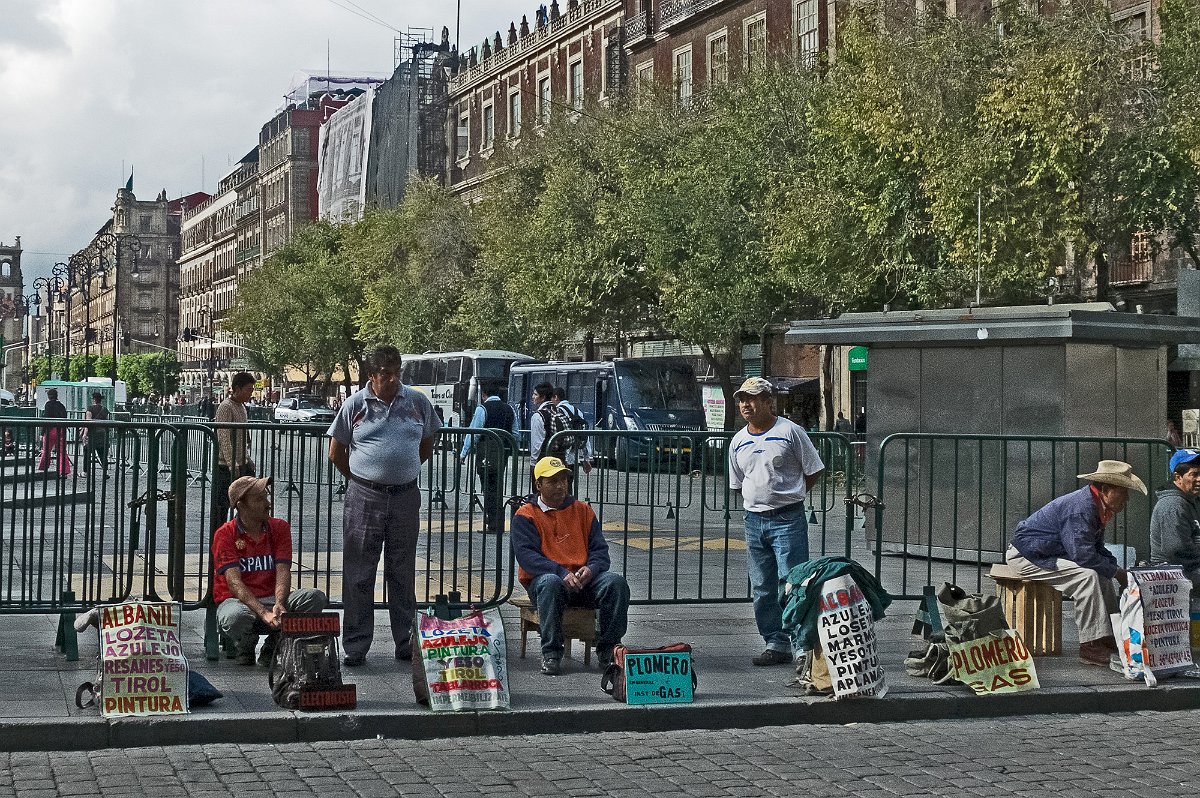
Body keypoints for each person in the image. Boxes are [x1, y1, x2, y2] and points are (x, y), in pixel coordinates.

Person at [327, 346, 441, 667]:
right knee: (359, 573)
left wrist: (403, 471)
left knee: (402, 571)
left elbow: (427, 444)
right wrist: (361, 479)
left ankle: (406, 641)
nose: (393, 379)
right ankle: (356, 645)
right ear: (371, 376)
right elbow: (336, 452)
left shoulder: (417, 402)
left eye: (397, 373)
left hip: (405, 496)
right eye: (386, 374)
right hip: (364, 497)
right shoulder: (355, 405)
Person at [1006, 459, 1145, 666]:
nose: (1126, 499)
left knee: (1102, 575)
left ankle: (1109, 634)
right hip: (1026, 556)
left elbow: (1095, 548)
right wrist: (1117, 572)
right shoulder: (1081, 508)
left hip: (1045, 553)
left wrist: (1115, 569)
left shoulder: (1095, 505)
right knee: (1087, 577)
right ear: (1106, 489)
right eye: (1123, 492)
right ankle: (1090, 644)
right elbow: (1083, 555)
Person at [727, 377, 824, 667]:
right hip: (754, 520)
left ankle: (802, 645)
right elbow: (739, 482)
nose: (746, 404)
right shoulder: (738, 441)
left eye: (752, 398)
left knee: (793, 582)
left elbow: (813, 469)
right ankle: (775, 642)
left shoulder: (790, 431)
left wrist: (792, 494)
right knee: (762, 586)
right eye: (742, 399)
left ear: (768, 402)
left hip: (787, 518)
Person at [512, 456, 630, 675]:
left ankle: (608, 651)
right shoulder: (525, 515)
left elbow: (600, 552)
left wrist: (591, 569)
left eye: (563, 480)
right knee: (550, 583)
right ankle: (551, 653)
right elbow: (527, 557)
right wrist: (560, 572)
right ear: (538, 485)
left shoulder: (583, 510)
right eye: (553, 481)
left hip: (584, 582)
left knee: (616, 583)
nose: (560, 486)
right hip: (548, 582)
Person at [212, 476, 328, 665]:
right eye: (260, 499)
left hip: (273, 597)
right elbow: (234, 583)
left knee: (314, 597)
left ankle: (274, 646)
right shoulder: (225, 534)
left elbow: (283, 570)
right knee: (234, 616)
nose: (268, 504)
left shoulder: (279, 527)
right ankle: (245, 645)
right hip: (239, 602)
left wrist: (279, 603)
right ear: (241, 505)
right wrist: (262, 612)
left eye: (266, 497)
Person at [460, 381, 516, 534]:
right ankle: (497, 522)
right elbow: (515, 433)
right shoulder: (509, 409)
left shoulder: (482, 409)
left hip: (486, 454)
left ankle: (493, 524)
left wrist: (464, 453)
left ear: (484, 394)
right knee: (497, 487)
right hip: (503, 453)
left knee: (488, 488)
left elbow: (474, 433)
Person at [1150, 449, 1200, 593]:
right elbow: (1176, 550)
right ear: (1178, 477)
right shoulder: (1173, 505)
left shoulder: (1191, 501)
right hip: (1173, 574)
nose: (1199, 479)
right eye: (1194, 474)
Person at [213, 372, 257, 523]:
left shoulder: (242, 407)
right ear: (237, 389)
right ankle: (219, 535)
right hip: (226, 465)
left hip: (241, 462)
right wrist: (231, 463)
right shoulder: (225, 407)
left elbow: (241, 437)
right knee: (222, 506)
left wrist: (247, 458)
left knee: (247, 503)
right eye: (248, 389)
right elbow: (224, 437)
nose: (250, 393)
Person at [550, 386, 593, 480]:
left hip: (561, 456)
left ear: (556, 397)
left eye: (551, 398)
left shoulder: (557, 411)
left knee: (560, 483)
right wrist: (586, 458)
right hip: (574, 457)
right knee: (570, 483)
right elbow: (584, 435)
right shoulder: (578, 411)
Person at [527, 382, 556, 488]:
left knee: (540, 492)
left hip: (543, 460)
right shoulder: (559, 411)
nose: (533, 397)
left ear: (542, 397)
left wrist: (533, 463)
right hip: (559, 458)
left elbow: (537, 444)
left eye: (535, 394)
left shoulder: (538, 416)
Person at [38, 388, 71, 476]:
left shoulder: (48, 405)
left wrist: (42, 433)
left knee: (46, 450)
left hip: (50, 430)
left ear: (48, 396)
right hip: (61, 429)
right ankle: (64, 471)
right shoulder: (61, 405)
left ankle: (44, 467)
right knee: (62, 452)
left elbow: (46, 418)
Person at [83, 391, 110, 475]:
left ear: (94, 399)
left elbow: (88, 422)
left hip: (92, 433)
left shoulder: (90, 409)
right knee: (102, 453)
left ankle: (86, 472)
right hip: (102, 433)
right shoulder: (105, 409)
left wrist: (84, 434)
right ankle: (105, 472)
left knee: (87, 452)